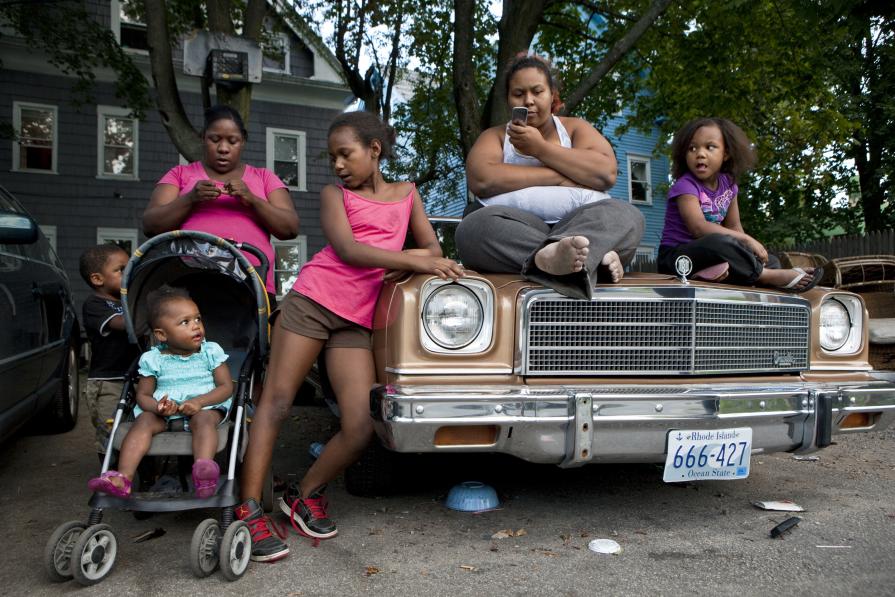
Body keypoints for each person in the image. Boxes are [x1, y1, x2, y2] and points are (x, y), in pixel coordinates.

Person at [233, 111, 464, 563]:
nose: (337, 165)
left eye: (345, 154)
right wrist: (410, 262)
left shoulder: (407, 194)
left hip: (356, 319)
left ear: (374, 150)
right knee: (276, 402)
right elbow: (348, 250)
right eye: (332, 157)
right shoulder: (334, 195)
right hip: (314, 301)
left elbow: (433, 247)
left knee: (361, 424)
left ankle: (303, 494)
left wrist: (410, 261)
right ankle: (248, 511)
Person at [456, 54, 645, 300]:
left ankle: (551, 257)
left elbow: (605, 173)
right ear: (508, 99)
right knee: (472, 229)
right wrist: (559, 177)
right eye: (518, 93)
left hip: (581, 223)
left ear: (552, 94)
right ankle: (587, 259)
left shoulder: (575, 128)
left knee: (628, 216)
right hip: (516, 228)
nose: (528, 100)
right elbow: (482, 179)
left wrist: (540, 149)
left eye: (537, 91)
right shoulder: (496, 136)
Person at [143, 105, 300, 304]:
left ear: (243, 140)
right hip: (189, 281)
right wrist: (190, 199)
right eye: (215, 139)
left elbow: (290, 228)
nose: (223, 148)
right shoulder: (180, 174)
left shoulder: (264, 177)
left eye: (232, 141)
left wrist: (253, 200)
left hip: (252, 283)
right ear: (203, 137)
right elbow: (150, 225)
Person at [87, 286, 233, 498]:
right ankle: (123, 478)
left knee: (203, 421)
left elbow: (226, 387)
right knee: (143, 421)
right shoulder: (152, 359)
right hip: (165, 413)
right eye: (185, 322)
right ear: (161, 334)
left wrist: (199, 402)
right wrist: (158, 407)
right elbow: (143, 395)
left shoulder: (210, 351)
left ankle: (203, 472)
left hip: (205, 408)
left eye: (198, 319)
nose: (196, 326)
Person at [657, 117, 822, 291]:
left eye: (710, 147)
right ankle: (764, 276)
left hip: (712, 256)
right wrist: (746, 239)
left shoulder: (729, 185)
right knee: (719, 242)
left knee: (769, 260)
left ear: (726, 154)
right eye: (692, 148)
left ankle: (716, 274)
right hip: (677, 259)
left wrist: (749, 251)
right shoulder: (685, 186)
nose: (700, 153)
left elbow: (734, 226)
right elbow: (698, 227)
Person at [79, 244, 142, 461]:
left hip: (137, 378)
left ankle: (145, 472)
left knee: (139, 428)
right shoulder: (94, 304)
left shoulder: (130, 301)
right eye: (121, 269)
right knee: (111, 431)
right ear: (98, 279)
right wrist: (152, 311)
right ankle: (110, 471)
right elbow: (125, 325)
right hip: (108, 381)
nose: (128, 273)